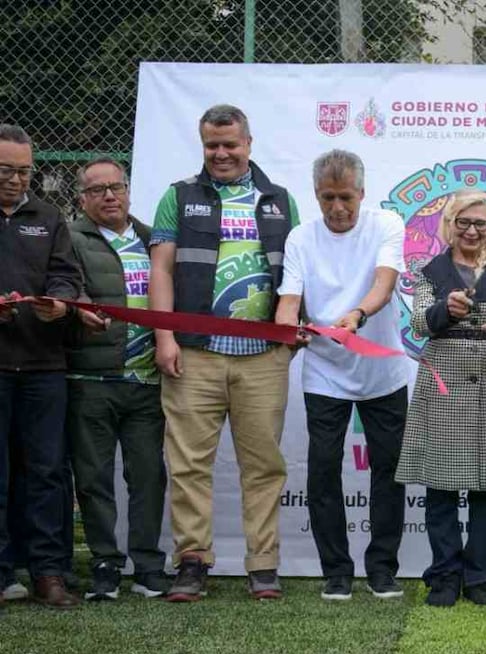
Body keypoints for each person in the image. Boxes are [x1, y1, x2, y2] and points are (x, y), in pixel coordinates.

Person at [148, 105, 300, 601]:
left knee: (264, 465)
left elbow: (296, 277)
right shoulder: (178, 196)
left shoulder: (280, 200)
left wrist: (288, 336)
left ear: (249, 143)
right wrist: (164, 337)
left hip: (262, 355)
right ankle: (192, 561)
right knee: (189, 463)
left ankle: (263, 565)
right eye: (212, 145)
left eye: (230, 144)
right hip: (195, 353)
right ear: (202, 145)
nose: (221, 153)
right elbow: (162, 271)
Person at [275, 149, 409, 602]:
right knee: (324, 469)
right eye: (328, 197)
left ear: (362, 194)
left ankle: (382, 569)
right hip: (324, 374)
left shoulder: (387, 224)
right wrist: (286, 331)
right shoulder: (300, 237)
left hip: (382, 370)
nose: (337, 208)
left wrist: (356, 315)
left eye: (345, 198)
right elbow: (289, 300)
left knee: (389, 470)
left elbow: (384, 284)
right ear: (315, 194)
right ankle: (336, 571)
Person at [396, 188, 486, 607]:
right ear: (450, 225)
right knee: (439, 487)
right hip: (444, 382)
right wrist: (446, 309)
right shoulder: (430, 271)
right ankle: (443, 577)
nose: (472, 230)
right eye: (464, 222)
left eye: (480, 223)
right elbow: (420, 321)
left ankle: (480, 578)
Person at [65, 157, 170, 601]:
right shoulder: (69, 239)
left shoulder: (154, 240)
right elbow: (61, 284)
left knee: (148, 476)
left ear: (129, 190)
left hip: (147, 381)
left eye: (117, 186)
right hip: (92, 378)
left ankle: (147, 564)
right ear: (82, 199)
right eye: (98, 190)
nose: (110, 196)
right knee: (93, 477)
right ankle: (105, 562)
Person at [0, 123, 83, 610]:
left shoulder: (49, 216)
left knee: (49, 472)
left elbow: (67, 276)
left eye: (24, 171)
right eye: (6, 171)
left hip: (44, 366)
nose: (15, 180)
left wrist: (62, 302)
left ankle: (49, 572)